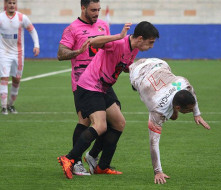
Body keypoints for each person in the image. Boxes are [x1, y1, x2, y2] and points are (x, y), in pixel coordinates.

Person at [57, 21, 159, 179]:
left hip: (103, 88)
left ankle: (102, 166)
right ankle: (69, 158)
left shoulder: (134, 48)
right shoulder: (119, 43)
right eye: (150, 42)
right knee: (100, 125)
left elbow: (122, 65)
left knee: (119, 123)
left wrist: (136, 71)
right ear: (140, 38)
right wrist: (118, 36)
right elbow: (93, 41)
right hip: (90, 86)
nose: (152, 46)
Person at [57, 0, 121, 176]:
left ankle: (94, 158)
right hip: (82, 81)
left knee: (116, 119)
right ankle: (75, 162)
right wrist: (77, 52)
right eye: (93, 10)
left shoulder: (103, 26)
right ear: (83, 8)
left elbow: (110, 50)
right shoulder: (72, 28)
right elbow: (61, 54)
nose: (96, 13)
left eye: (99, 10)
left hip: (102, 79)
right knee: (85, 122)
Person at [129, 58, 211, 184]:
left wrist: (197, 114)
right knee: (170, 116)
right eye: (189, 110)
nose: (191, 110)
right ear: (178, 107)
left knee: (173, 116)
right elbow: (153, 142)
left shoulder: (183, 82)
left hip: (158, 64)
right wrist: (158, 171)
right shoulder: (157, 110)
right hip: (137, 73)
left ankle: (172, 108)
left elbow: (192, 92)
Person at [0, 0, 40, 115]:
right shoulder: (1, 17)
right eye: (9, 3)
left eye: (14, 3)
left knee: (16, 79)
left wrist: (36, 45)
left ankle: (10, 105)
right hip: (3, 53)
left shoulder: (22, 18)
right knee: (4, 77)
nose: (12, 5)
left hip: (18, 54)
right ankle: (3, 107)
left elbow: (32, 31)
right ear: (5, 4)